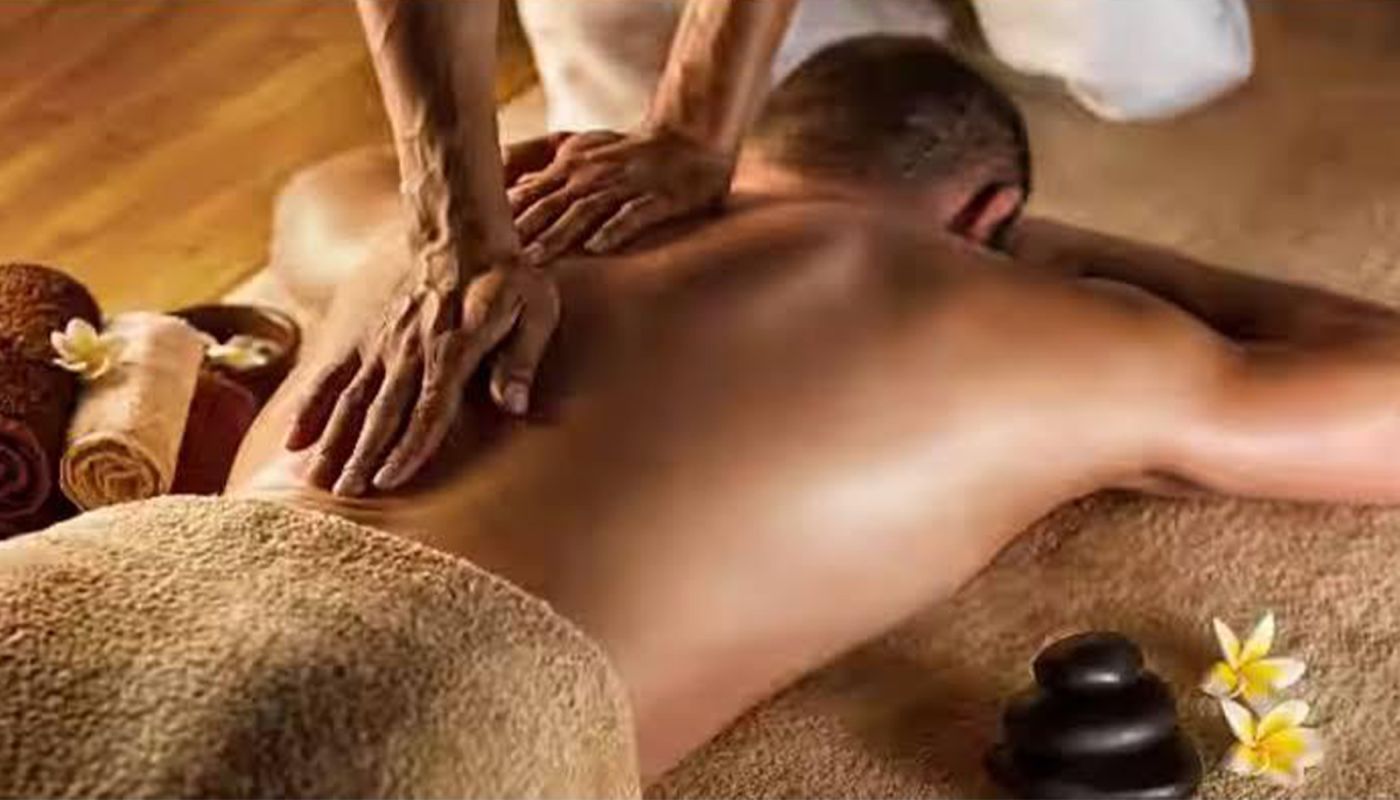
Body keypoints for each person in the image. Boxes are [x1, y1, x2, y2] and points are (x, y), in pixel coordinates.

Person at [227, 35, 1400, 780]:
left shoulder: (533, 193)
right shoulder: (1006, 317)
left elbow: (313, 204)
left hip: (163, 591)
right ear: (984, 215)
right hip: (388, 739)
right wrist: (1056, 258)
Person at [301, 0, 798, 498]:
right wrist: (452, 224)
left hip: (814, 109)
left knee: (319, 205)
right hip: (610, 93)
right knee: (322, 200)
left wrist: (692, 126)